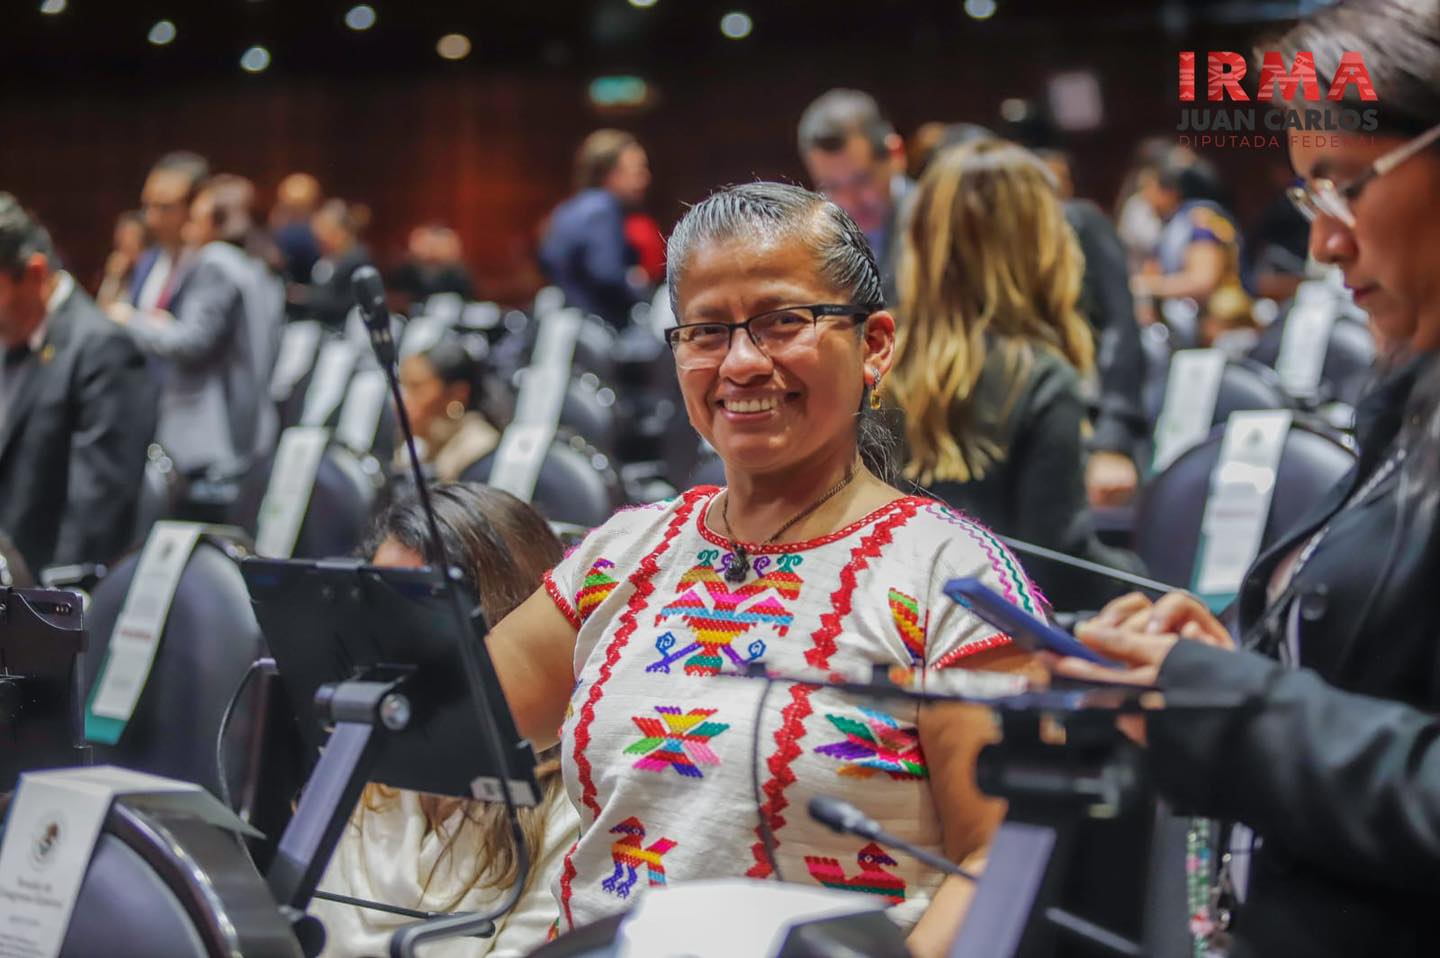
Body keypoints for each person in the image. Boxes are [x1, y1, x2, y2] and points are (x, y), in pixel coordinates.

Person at [486, 181, 1039, 958]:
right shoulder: (625, 553)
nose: (741, 363)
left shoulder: (954, 580)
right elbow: (454, 720)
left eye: (783, 321)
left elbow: (996, 858)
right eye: (707, 331)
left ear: (874, 345)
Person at [1044, 2, 1440, 952]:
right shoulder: (1413, 396)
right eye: (1312, 198)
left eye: (1346, 186)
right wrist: (1245, 662)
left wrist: (1233, 707)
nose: (1325, 243)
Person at [312, 482, 582, 958]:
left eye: (413, 615)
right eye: (377, 612)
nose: (388, 647)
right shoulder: (360, 761)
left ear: (505, 627)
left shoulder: (574, 811)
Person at [887, 140, 1144, 611]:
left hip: (897, 625)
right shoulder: (1040, 380)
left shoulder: (874, 365)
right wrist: (1142, 581)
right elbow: (1057, 573)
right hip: (1000, 641)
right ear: (1040, 245)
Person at [0, 194, 157, 572]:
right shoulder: (9, 333)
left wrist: (43, 601)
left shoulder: (104, 351)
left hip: (38, 589)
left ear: (35, 274)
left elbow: (93, 518)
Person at [117, 181, 266, 475]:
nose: (188, 227)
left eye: (196, 219)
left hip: (212, 427)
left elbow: (193, 342)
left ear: (216, 223)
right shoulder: (241, 261)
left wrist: (131, 321)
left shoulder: (214, 262)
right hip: (233, 416)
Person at [797, 89, 911, 303]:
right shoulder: (817, 243)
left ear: (896, 155)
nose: (850, 201)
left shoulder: (939, 223)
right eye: (831, 186)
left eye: (861, 180)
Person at [538, 130, 652, 329]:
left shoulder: (567, 209)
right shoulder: (603, 209)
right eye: (637, 171)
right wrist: (637, 283)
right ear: (610, 174)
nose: (646, 179)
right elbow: (607, 274)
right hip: (598, 328)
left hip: (570, 325)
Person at [111, 151, 210, 323]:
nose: (151, 219)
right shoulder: (147, 262)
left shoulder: (210, 267)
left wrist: (134, 320)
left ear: (197, 206)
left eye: (164, 208)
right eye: (148, 206)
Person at [396, 330, 499, 482]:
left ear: (457, 395)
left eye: (415, 387)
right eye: (402, 386)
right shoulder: (419, 450)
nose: (399, 401)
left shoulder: (481, 457)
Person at [304, 199, 372, 330]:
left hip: (345, 331)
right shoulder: (326, 257)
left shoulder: (356, 258)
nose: (319, 240)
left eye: (324, 232)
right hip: (321, 328)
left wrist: (307, 298)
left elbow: (352, 301)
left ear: (339, 231)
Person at [95, 210, 146, 313]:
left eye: (132, 235)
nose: (126, 241)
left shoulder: (147, 271)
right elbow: (100, 310)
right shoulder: (119, 269)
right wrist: (112, 279)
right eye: (122, 235)